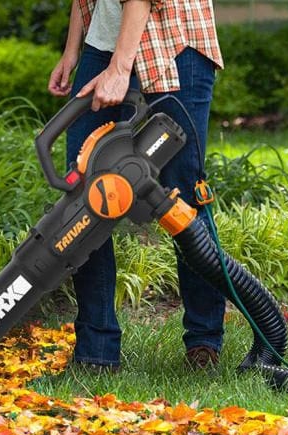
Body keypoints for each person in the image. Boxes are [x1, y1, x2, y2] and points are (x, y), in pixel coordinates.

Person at [47, 0, 226, 371]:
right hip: (105, 48)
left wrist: (120, 68)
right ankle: (96, 349)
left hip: (173, 43)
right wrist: (72, 51)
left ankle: (204, 340)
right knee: (85, 194)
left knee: (185, 194)